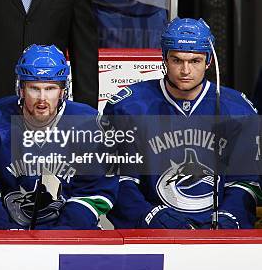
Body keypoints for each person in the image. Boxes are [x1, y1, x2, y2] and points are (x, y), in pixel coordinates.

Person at [103, 18, 260, 229]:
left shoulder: (239, 110)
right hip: (151, 233)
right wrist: (150, 217)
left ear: (209, 61)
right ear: (164, 59)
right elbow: (120, 180)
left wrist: (230, 217)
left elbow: (245, 181)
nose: (186, 70)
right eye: (177, 60)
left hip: (216, 235)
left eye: (194, 61)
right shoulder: (128, 108)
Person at [0, 45, 117, 229]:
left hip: (67, 231)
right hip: (2, 230)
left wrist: (63, 234)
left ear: (63, 90)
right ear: (20, 89)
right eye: (34, 88)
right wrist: (8, 234)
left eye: (51, 88)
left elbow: (94, 192)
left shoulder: (90, 126)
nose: (42, 98)